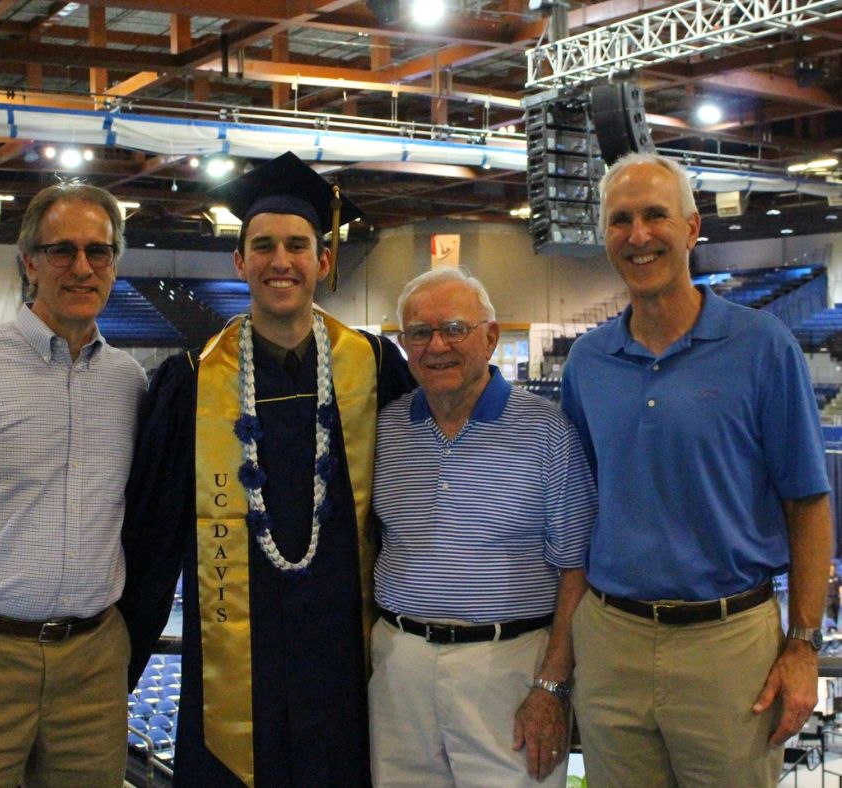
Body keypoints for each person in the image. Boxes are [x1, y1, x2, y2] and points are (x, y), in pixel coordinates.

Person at [119, 151, 414, 786]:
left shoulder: (374, 367)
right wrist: (119, 660)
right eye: (263, 246)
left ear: (323, 260)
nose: (280, 261)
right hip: (238, 660)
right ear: (240, 262)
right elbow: (151, 534)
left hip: (346, 655)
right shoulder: (194, 381)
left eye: (297, 245)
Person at [561, 152, 832, 787]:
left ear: (691, 228)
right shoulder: (587, 363)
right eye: (620, 220)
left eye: (655, 215)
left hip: (728, 645)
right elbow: (582, 502)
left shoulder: (764, 347)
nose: (638, 235)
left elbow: (808, 505)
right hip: (612, 639)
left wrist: (803, 645)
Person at [0, 182, 147, 786]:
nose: (82, 267)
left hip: (92, 667)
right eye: (62, 250)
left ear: (115, 263)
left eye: (99, 251)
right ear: (29, 262)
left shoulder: (130, 382)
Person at [368, 267, 597, 787]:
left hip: (510, 669)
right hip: (400, 665)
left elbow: (575, 571)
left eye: (455, 328)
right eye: (419, 333)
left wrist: (552, 687)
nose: (437, 346)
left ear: (491, 337)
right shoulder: (385, 429)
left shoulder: (547, 431)